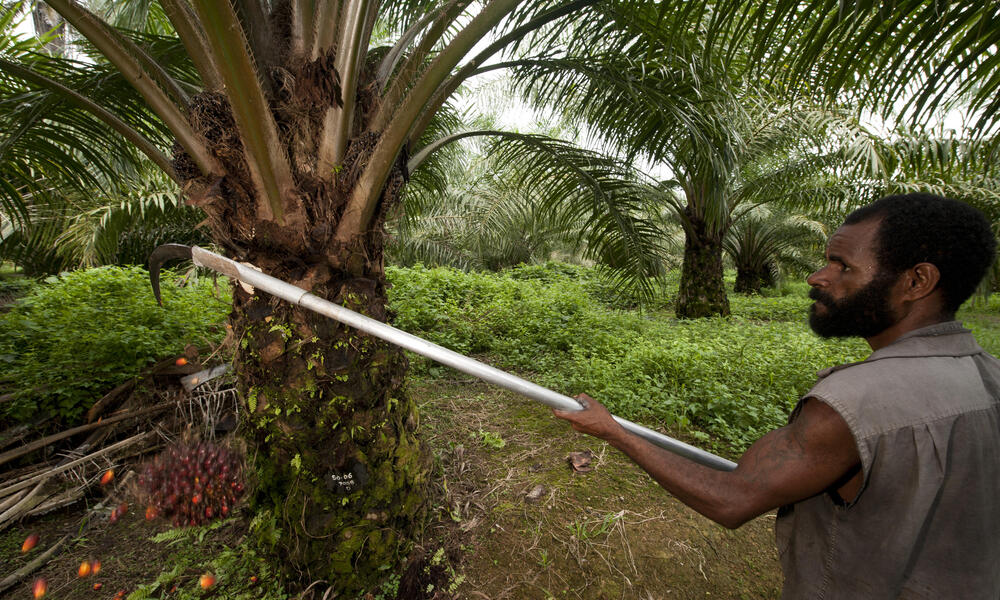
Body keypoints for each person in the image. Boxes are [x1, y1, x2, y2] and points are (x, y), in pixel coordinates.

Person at [553, 193, 1000, 599]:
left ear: (916, 281)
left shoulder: (854, 403)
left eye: (843, 265)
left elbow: (733, 499)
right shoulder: (990, 374)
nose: (817, 276)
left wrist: (615, 432)